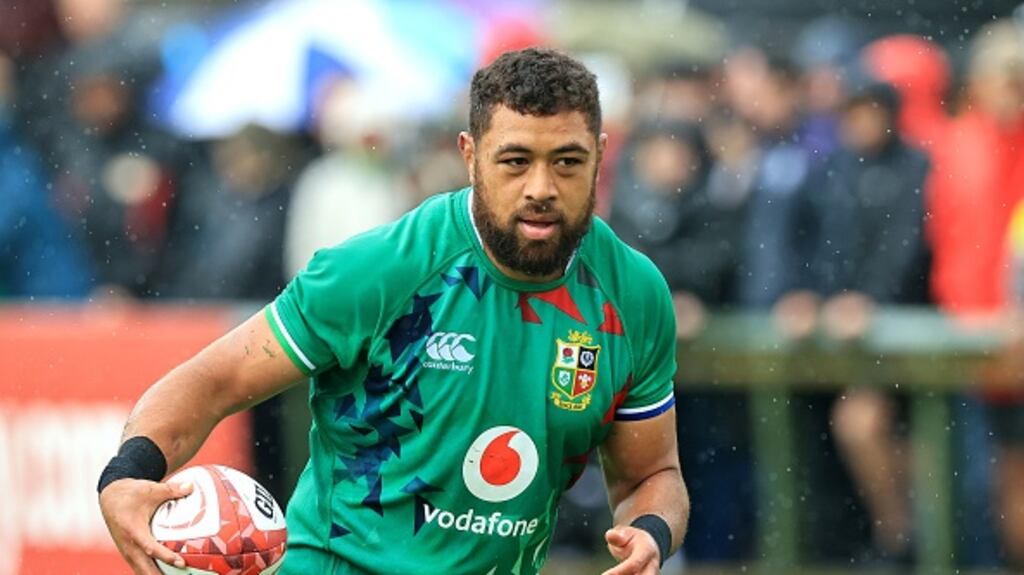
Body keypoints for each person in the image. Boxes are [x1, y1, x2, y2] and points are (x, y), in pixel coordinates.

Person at [98, 47, 689, 575]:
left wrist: (650, 534)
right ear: (470, 155)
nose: (542, 186)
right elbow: (215, 379)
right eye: (514, 161)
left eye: (567, 161)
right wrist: (126, 474)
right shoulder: (380, 271)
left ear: (602, 155)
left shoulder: (632, 295)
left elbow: (651, 476)